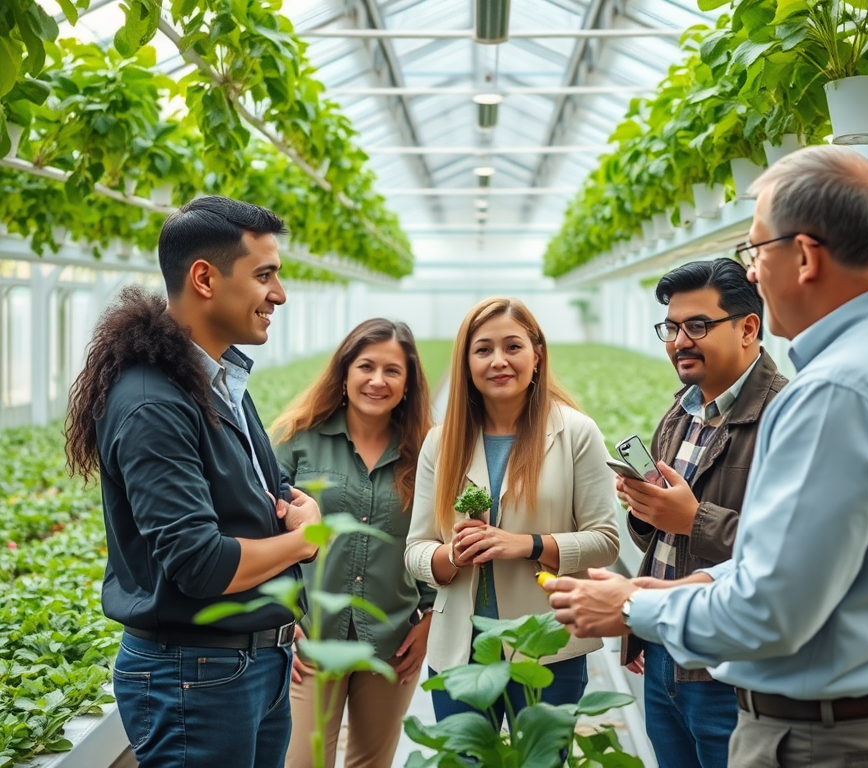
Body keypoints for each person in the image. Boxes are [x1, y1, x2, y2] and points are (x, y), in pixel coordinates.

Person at [546, 145, 868, 768]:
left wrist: (629, 605)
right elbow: (822, 566)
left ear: (805, 255)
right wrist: (688, 585)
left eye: (755, 250)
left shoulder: (836, 391)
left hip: (826, 741)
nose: (752, 272)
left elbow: (771, 610)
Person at [64, 196, 321, 768]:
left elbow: (269, 492)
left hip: (247, 666)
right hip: (196, 677)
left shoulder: (218, 380)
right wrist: (305, 540)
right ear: (205, 278)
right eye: (264, 275)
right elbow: (201, 564)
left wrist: (279, 619)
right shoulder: (154, 402)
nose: (278, 294)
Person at [405, 297, 620, 725]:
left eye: (513, 347)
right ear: (466, 362)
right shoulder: (441, 442)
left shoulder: (576, 432)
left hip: (545, 645)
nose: (498, 361)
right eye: (483, 349)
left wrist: (526, 545)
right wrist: (450, 555)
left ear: (537, 355)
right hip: (460, 650)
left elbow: (606, 542)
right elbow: (416, 550)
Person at [620, 257, 786, 768]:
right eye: (670, 327)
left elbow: (790, 555)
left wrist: (692, 518)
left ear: (748, 328)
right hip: (665, 645)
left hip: (727, 671)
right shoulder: (681, 413)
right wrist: (646, 510)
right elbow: (662, 540)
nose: (678, 341)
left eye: (696, 325)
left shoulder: (784, 416)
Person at [272, 318, 434, 768]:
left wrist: (431, 617)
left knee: (371, 762)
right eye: (366, 366)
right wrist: (279, 617)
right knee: (303, 761)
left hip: (392, 641)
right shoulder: (295, 441)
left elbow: (439, 536)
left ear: (408, 382)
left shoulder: (425, 453)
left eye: (392, 371)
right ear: (344, 372)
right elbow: (254, 530)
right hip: (309, 639)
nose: (377, 381)